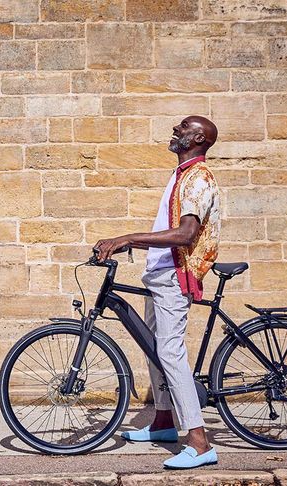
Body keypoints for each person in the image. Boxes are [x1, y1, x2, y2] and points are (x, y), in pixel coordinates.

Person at [94, 116, 221, 470]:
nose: (175, 129)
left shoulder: (198, 178)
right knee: (154, 349)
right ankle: (164, 422)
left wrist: (127, 238)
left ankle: (199, 441)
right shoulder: (180, 174)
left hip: (175, 275)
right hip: (159, 273)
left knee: (169, 351)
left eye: (183, 127)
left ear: (197, 138)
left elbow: (184, 234)